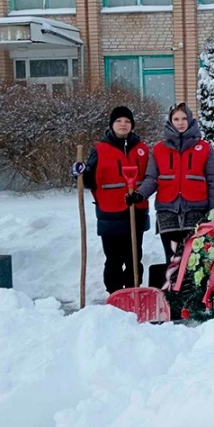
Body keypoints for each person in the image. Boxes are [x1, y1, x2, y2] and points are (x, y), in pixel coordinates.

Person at [127, 103, 214, 264]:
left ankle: (189, 282)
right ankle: (172, 281)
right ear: (170, 121)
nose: (180, 122)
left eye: (184, 118)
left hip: (196, 211)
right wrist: (140, 194)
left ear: (190, 120)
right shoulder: (159, 149)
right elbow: (152, 178)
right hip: (167, 212)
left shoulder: (204, 148)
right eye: (176, 119)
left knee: (195, 261)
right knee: (172, 259)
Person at [72, 106, 151, 293]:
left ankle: (133, 292)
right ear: (111, 124)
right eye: (118, 121)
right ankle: (114, 294)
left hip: (136, 211)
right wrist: (79, 174)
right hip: (110, 213)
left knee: (134, 257)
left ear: (132, 125)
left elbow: (150, 177)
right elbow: (89, 180)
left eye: (127, 121)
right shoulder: (100, 150)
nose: (123, 124)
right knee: (114, 259)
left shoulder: (142, 149)